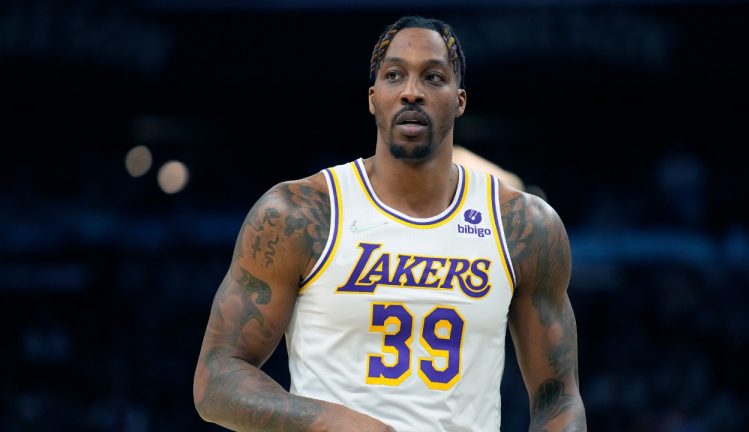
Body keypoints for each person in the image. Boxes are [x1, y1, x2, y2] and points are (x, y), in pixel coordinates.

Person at [193, 15, 586, 431]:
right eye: (394, 75)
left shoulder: (523, 226)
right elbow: (217, 377)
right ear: (372, 97)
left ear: (459, 99)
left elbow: (559, 396)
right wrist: (332, 422)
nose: (411, 92)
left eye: (433, 77)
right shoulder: (298, 213)